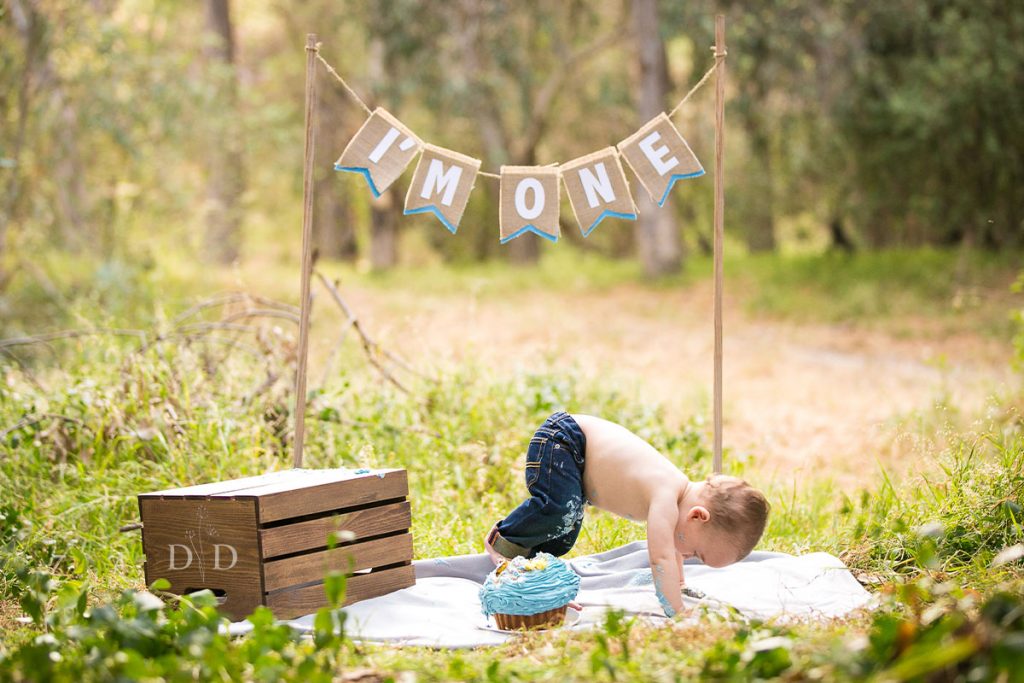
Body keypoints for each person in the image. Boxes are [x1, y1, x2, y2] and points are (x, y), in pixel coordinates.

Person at [483, 411, 770, 617]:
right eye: (696, 551)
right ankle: (504, 540)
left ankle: (535, 586)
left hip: (576, 465)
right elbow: (662, 557)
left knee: (562, 538)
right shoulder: (665, 495)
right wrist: (677, 610)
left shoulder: (676, 505)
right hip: (564, 440)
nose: (688, 555)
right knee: (560, 513)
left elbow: (673, 553)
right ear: (698, 516)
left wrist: (680, 585)